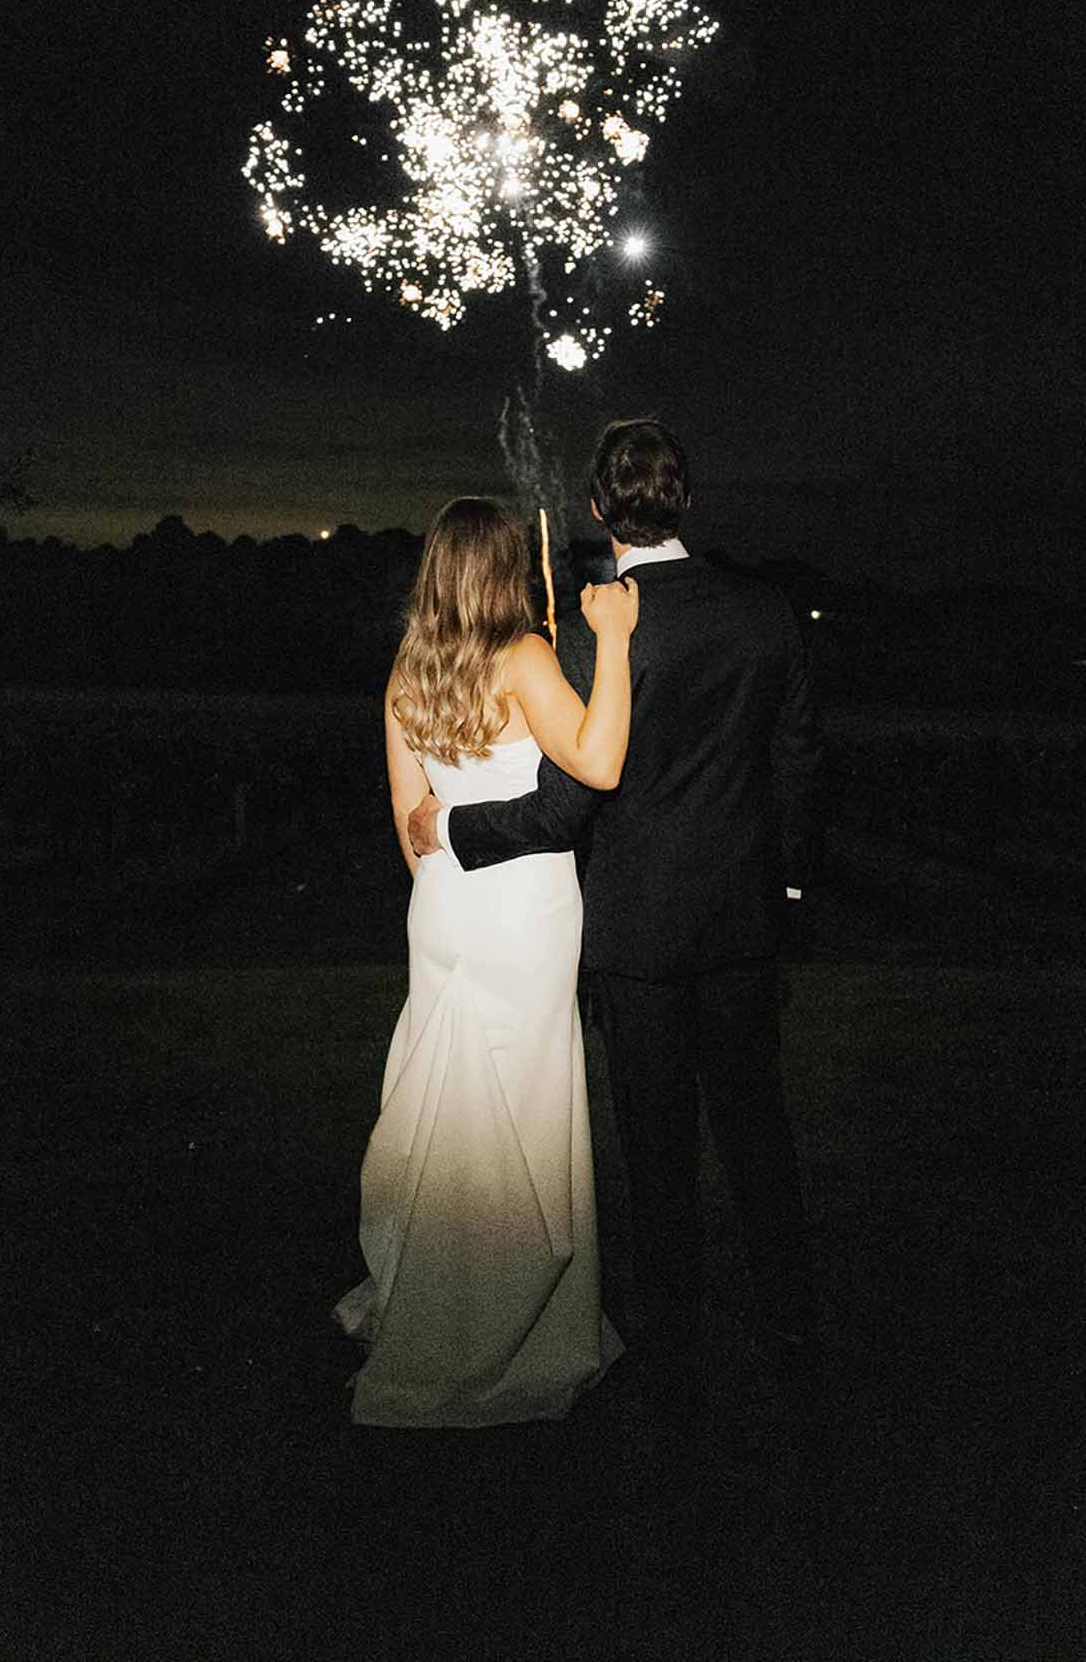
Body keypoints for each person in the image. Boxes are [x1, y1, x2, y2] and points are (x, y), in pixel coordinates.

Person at [408, 419, 823, 1419]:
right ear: (685, 502)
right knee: (756, 1121)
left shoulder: (595, 625)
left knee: (654, 1139)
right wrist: (791, 885)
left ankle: (670, 1340)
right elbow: (798, 759)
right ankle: (793, 1321)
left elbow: (566, 800)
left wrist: (454, 823)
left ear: (600, 506)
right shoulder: (769, 611)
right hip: (740, 916)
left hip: (636, 924)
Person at [333, 496, 637, 1426]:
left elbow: (409, 823)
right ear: (505, 568)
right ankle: (517, 1322)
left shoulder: (407, 668)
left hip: (444, 907)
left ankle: (430, 1283)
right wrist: (615, 639)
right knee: (524, 1100)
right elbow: (600, 764)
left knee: (446, 1098)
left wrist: (444, 902)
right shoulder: (524, 655)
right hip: (526, 913)